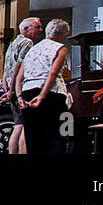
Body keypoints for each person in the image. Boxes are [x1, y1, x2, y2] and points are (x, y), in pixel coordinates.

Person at [14, 18, 72, 154]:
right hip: (53, 95)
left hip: (28, 94)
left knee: (33, 139)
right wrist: (42, 96)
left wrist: (19, 96)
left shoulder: (32, 50)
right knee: (59, 136)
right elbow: (53, 73)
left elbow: (19, 77)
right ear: (63, 35)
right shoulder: (61, 49)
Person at [1, 17, 43, 154]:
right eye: (37, 27)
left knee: (18, 126)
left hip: (13, 90)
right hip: (21, 90)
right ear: (26, 29)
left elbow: (6, 70)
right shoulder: (27, 42)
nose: (41, 30)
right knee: (25, 127)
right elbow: (19, 67)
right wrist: (13, 90)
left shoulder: (13, 43)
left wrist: (6, 89)